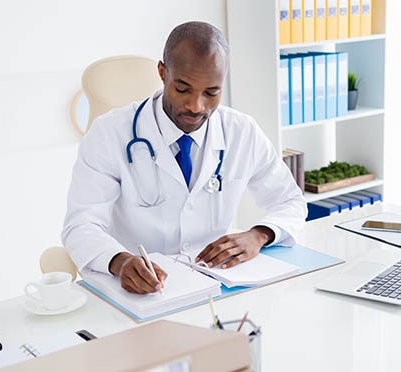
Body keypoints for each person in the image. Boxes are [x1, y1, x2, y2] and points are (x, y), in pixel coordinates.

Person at [62, 21, 306, 294]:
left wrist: (259, 234)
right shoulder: (109, 134)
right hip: (141, 294)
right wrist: (120, 261)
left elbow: (291, 202)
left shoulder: (241, 131)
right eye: (183, 89)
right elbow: (80, 226)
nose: (196, 106)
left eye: (211, 93)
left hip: (215, 287)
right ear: (163, 72)